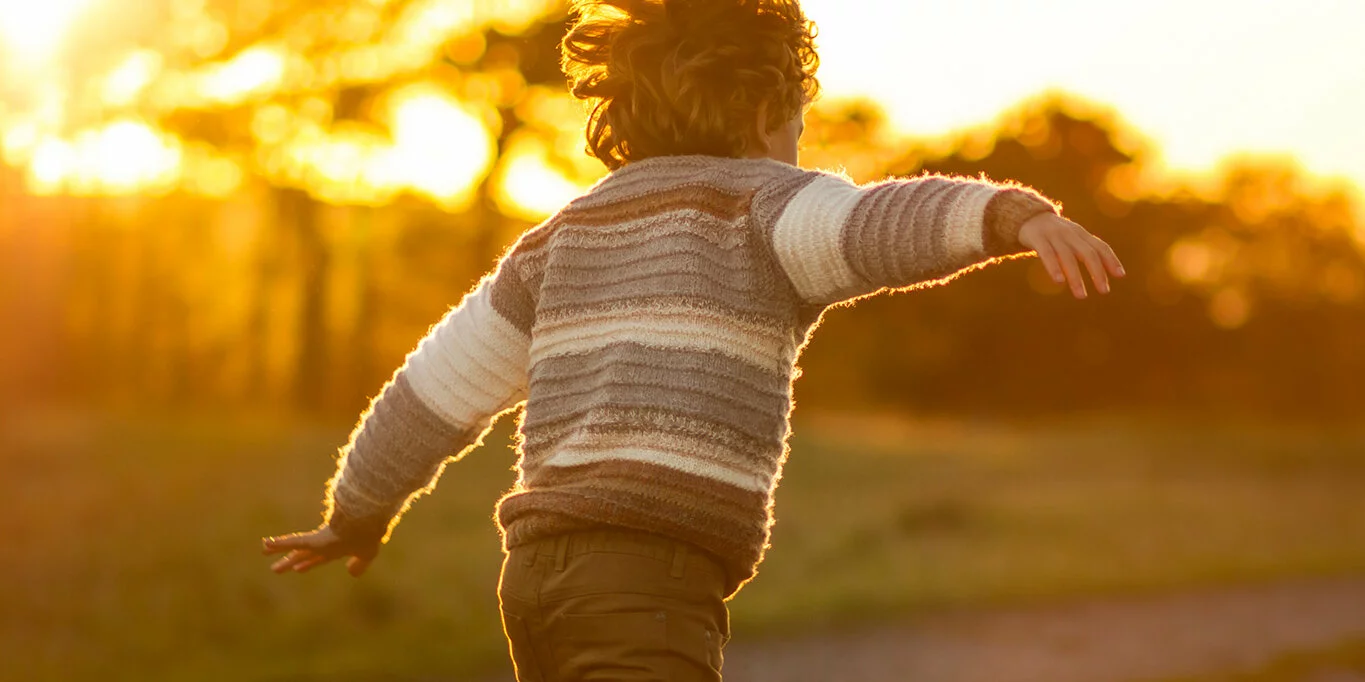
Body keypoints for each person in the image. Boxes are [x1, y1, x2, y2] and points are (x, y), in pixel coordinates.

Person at [262, 0, 1126, 679]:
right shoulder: (760, 206)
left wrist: (357, 512)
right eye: (796, 118)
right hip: (649, 581)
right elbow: (880, 223)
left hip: (533, 581)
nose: (797, 142)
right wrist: (1015, 215)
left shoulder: (561, 238)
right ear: (760, 113)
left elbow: (436, 390)